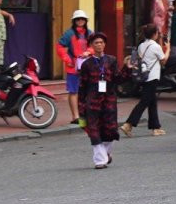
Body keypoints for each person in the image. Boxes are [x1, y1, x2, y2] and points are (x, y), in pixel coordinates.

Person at [75, 33, 122, 168]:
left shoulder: (112, 61)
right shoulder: (86, 64)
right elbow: (82, 86)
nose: (99, 45)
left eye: (101, 42)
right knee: (94, 130)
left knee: (110, 130)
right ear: (91, 45)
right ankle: (100, 161)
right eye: (96, 43)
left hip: (109, 100)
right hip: (92, 102)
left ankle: (106, 154)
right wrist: (81, 106)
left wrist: (128, 69)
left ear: (105, 44)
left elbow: (118, 79)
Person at [123, 23, 166, 138]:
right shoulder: (155, 46)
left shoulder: (142, 45)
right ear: (154, 34)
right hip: (152, 77)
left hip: (144, 76)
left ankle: (155, 127)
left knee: (152, 102)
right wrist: (169, 48)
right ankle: (129, 123)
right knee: (144, 102)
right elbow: (163, 60)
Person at [56, 10, 93, 126]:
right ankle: (75, 116)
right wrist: (68, 60)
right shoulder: (69, 34)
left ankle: (86, 115)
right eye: (78, 19)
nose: (80, 21)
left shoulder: (90, 33)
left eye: (82, 19)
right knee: (74, 91)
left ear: (85, 20)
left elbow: (96, 45)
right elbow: (59, 47)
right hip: (73, 67)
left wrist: (88, 52)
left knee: (88, 91)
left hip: (88, 66)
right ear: (74, 21)